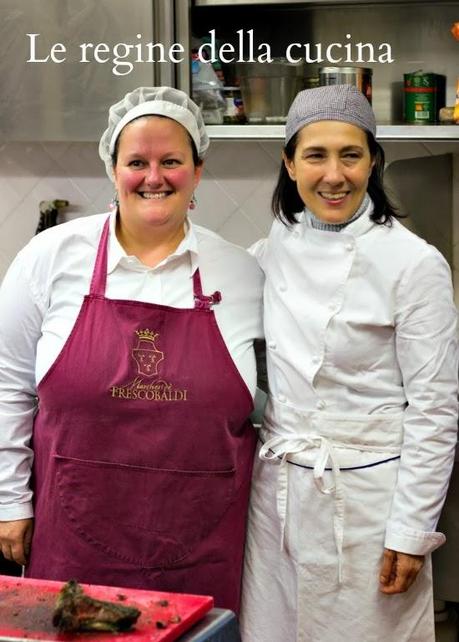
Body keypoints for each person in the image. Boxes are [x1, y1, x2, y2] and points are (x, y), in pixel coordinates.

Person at [0, 86, 263, 614]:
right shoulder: (51, 259)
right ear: (112, 169)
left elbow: (277, 402)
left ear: (197, 170)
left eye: (171, 161)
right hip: (70, 538)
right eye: (136, 161)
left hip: (204, 547)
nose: (154, 177)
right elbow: (8, 384)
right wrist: (9, 499)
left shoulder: (242, 272)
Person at [240, 84, 458, 641]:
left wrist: (412, 531)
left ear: (373, 162)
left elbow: (435, 410)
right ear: (289, 163)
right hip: (279, 505)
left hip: (370, 509)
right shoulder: (269, 251)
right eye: (315, 155)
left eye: (350, 155)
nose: (333, 175)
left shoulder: (414, 264)